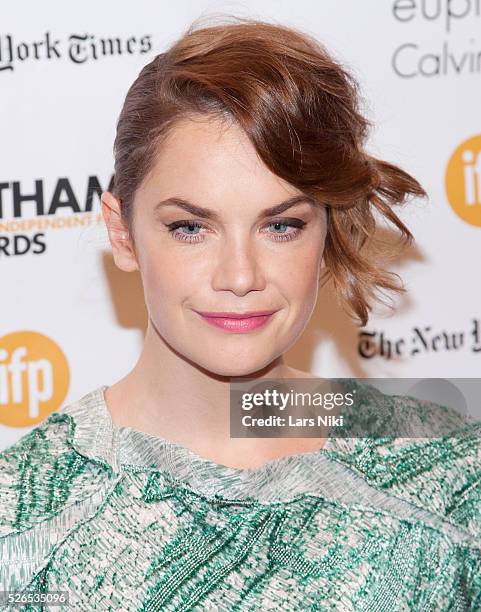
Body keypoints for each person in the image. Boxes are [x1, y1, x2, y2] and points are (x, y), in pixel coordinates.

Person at [1, 16, 480, 611]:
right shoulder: (23, 511)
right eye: (191, 228)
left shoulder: (449, 470)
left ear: (326, 232)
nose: (240, 276)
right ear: (122, 233)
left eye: (281, 225)